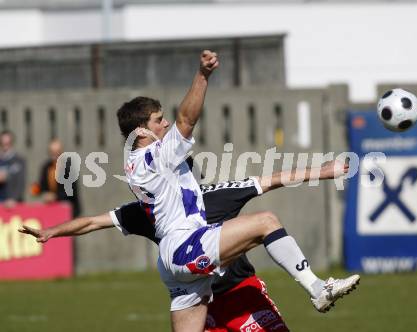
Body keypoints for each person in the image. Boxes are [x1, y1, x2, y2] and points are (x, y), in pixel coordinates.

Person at [117, 50, 359, 331]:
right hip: (186, 246)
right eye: (158, 120)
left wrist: (52, 232)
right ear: (141, 131)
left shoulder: (135, 163)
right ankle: (317, 289)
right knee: (266, 222)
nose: (166, 123)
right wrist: (203, 75)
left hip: (174, 261)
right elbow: (186, 119)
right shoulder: (154, 157)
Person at [19, 160, 349, 332]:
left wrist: (325, 171)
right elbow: (92, 221)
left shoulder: (218, 194)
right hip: (197, 305)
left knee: (267, 221)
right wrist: (52, 231)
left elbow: (274, 178)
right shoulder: (149, 214)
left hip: (241, 293)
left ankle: (316, 287)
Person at [36, 139, 81, 217]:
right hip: (51, 208)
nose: (55, 155)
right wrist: (37, 189)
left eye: (57, 152)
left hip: (68, 209)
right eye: (52, 152)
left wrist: (55, 196)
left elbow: (71, 190)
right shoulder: (46, 167)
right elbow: (42, 186)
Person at [0, 130, 26, 207]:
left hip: (12, 203)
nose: (5, 145)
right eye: (3, 143)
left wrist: (14, 199)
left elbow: (21, 182)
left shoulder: (19, 160)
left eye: (7, 143)